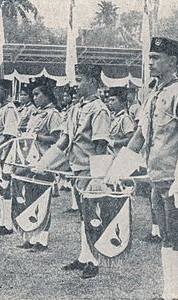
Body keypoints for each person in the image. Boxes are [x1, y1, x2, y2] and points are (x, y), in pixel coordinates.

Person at [124, 37, 178, 300]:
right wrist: (117, 170)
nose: (151, 63)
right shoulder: (153, 94)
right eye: (150, 57)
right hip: (156, 177)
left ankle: (177, 294)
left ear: (173, 62)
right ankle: (170, 292)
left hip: (173, 178)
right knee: (165, 235)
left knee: (175, 234)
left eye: (156, 58)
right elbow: (140, 135)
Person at [35, 64, 110, 279]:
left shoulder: (99, 110)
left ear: (93, 82)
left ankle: (94, 260)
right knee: (83, 216)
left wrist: (97, 178)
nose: (75, 85)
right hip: (76, 170)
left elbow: (101, 146)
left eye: (79, 80)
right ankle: (84, 256)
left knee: (92, 216)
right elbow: (64, 140)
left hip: (90, 170)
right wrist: (44, 161)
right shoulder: (76, 108)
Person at [19, 76, 62, 252]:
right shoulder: (36, 113)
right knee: (30, 198)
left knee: (43, 199)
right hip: (31, 159)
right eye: (33, 95)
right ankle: (32, 234)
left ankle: (43, 239)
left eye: (37, 94)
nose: (34, 98)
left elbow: (57, 138)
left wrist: (36, 137)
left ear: (47, 95)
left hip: (45, 160)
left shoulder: (54, 114)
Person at [0, 79, 18, 236]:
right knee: (0, 188)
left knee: (6, 188)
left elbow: (9, 136)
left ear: (5, 92)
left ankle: (8, 224)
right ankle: (2, 221)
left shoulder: (10, 109)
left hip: (6, 153)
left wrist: (4, 158)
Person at [106, 86, 135, 154]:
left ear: (122, 102)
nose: (110, 103)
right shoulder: (111, 116)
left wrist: (113, 143)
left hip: (119, 155)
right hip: (110, 154)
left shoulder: (125, 118)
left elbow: (130, 139)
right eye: (109, 100)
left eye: (113, 100)